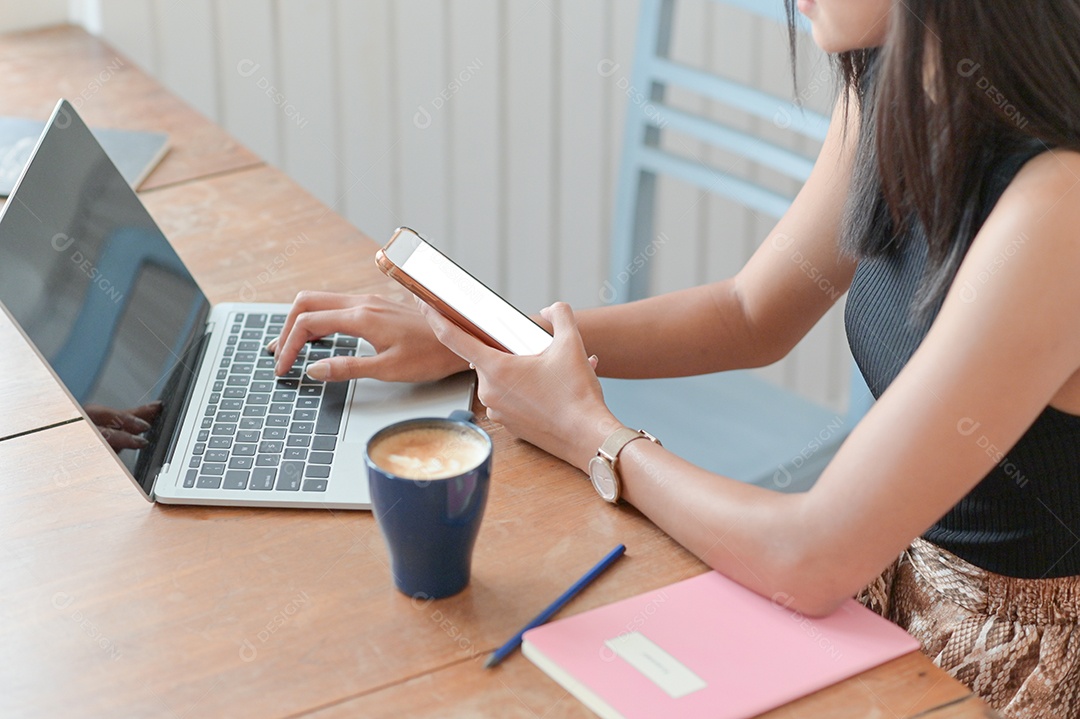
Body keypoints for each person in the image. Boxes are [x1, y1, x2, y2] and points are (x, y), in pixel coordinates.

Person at [267, 1, 1080, 715]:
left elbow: (814, 555)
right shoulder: (896, 86)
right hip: (870, 614)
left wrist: (594, 435)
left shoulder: (1056, 209)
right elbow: (750, 312)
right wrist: (485, 336)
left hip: (1006, 676)